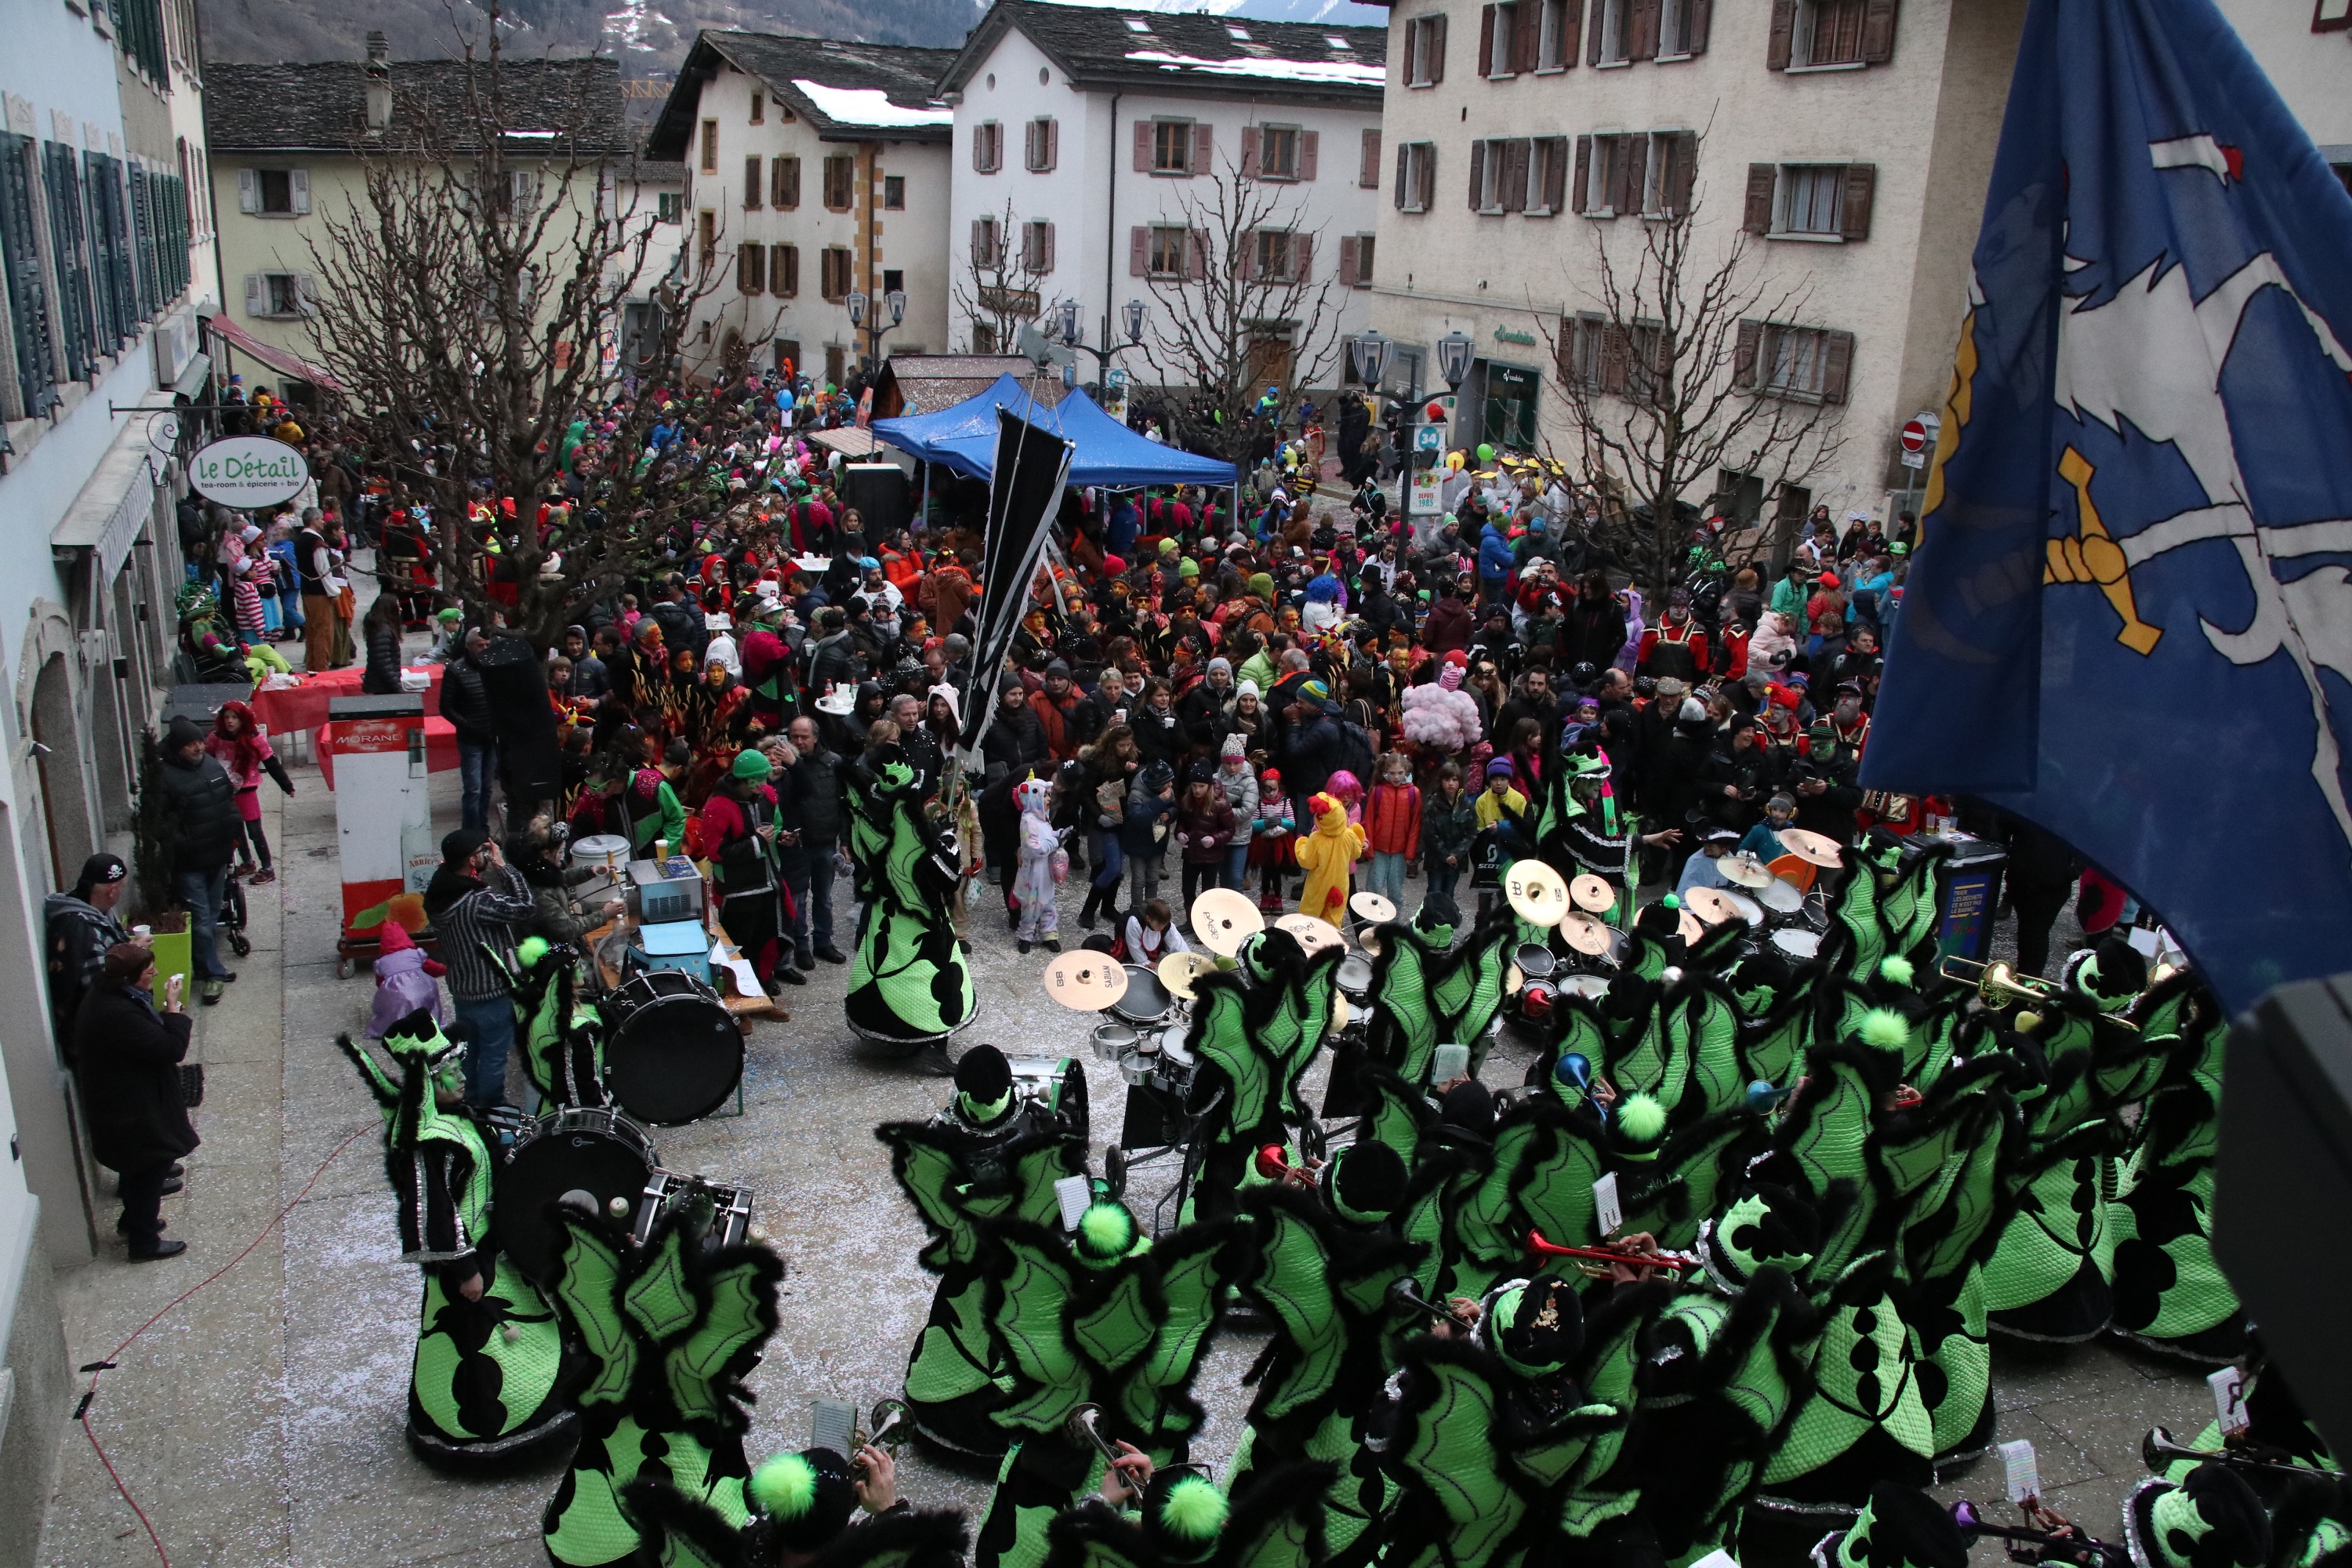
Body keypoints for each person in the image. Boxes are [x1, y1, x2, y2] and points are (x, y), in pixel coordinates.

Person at [75, 944, 198, 1260]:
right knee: (149, 1171)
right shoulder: (117, 1013)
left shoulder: (109, 998)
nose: (154, 973)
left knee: (142, 1167)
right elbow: (169, 1048)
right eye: (147, 970)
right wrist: (173, 1010)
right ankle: (144, 1242)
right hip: (131, 1110)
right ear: (129, 977)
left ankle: (133, 1223)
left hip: (124, 1103)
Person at [421, 828, 538, 1108]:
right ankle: (491, 1108)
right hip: (492, 993)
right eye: (483, 852)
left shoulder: (440, 895)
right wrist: (503, 866)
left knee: (470, 1054)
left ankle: (469, 1103)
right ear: (471, 860)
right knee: (494, 1057)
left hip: (464, 991)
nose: (488, 854)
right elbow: (526, 906)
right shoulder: (476, 903)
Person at [154, 716, 241, 1004]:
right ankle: (211, 975)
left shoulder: (211, 766)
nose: (198, 747)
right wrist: (186, 845)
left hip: (217, 857)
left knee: (213, 914)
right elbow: (161, 824)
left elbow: (227, 801)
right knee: (202, 920)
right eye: (191, 744)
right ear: (177, 747)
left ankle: (207, 964)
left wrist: (234, 827)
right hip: (190, 864)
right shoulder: (166, 778)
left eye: (200, 741)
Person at [45, 851, 136, 1056]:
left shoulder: (95, 912)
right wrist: (135, 956)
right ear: (112, 891)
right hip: (98, 1041)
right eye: (121, 887)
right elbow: (103, 988)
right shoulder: (84, 929)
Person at [207, 700, 294, 884]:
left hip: (247, 791)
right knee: (236, 830)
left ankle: (268, 867)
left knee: (255, 831)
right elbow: (207, 761)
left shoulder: (255, 738)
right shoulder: (216, 738)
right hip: (225, 791)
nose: (230, 721)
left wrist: (287, 786)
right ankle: (247, 862)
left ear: (243, 719)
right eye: (227, 717)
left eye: (235, 718)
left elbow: (271, 763)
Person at [786, 716, 848, 964]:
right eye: (795, 737)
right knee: (798, 900)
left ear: (816, 737)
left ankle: (823, 942)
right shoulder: (784, 765)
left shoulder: (833, 763)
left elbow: (844, 804)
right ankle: (801, 946)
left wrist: (845, 841)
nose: (799, 742)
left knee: (824, 897)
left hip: (825, 841)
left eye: (804, 737)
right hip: (798, 845)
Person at [440, 627, 500, 836]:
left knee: (487, 786)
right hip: (470, 739)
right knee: (473, 788)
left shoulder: (493, 668)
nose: (484, 649)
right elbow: (446, 707)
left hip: (491, 736)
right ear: (469, 647)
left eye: (487, 645)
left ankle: (483, 829)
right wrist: (467, 724)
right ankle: (470, 832)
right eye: (480, 645)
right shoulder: (456, 670)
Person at [1173, 762, 1236, 913]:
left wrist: (1215, 839)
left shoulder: (1220, 804)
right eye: (1194, 786)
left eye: (1201, 786)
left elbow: (1230, 829)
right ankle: (1190, 919)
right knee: (1187, 890)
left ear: (1209, 786)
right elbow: (1182, 823)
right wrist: (1180, 833)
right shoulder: (1187, 800)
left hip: (1211, 857)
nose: (1197, 790)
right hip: (1191, 854)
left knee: (1208, 893)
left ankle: (1206, 921)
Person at [1362, 750, 1421, 909]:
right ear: (1386, 772)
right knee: (1373, 890)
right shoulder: (1378, 791)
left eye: (1400, 773)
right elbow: (1369, 820)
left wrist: (1410, 853)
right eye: (1392, 773)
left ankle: (1394, 923)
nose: (1396, 777)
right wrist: (1369, 849)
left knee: (1395, 892)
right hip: (1379, 849)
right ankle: (1369, 922)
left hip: (1400, 852)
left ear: (1406, 771)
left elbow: (1415, 825)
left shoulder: (1413, 793)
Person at [1419, 762, 1477, 912]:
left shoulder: (1467, 805)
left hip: (1456, 860)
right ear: (1441, 781)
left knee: (1448, 894)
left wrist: (1456, 854)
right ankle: (1430, 920)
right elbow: (1429, 833)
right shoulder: (1433, 804)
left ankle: (1444, 922)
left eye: (1454, 780)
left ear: (1460, 782)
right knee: (1434, 892)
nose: (1451, 783)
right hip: (1436, 859)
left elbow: (1471, 833)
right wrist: (1445, 855)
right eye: (1447, 780)